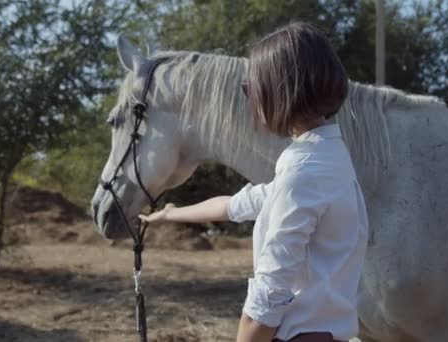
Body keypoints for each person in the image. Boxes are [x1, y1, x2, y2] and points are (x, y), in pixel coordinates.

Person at [139, 21, 368, 342]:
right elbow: (239, 204)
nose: (247, 99)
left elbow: (272, 291)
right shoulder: (327, 156)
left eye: (249, 88)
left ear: (279, 90)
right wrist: (169, 213)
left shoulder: (304, 169)